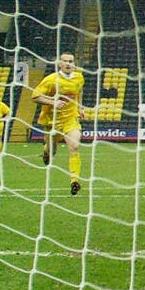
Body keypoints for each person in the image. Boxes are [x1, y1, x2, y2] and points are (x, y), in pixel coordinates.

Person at [33, 52, 87, 196]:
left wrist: (80, 107)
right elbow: (35, 96)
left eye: (71, 61)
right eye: (65, 61)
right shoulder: (51, 80)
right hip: (52, 122)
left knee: (74, 146)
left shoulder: (79, 77)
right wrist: (53, 102)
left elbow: (79, 92)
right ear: (59, 64)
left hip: (70, 119)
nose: (69, 64)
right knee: (52, 152)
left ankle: (74, 181)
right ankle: (46, 152)